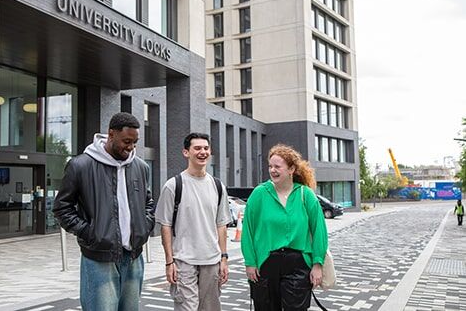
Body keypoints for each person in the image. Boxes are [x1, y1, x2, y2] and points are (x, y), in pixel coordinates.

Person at [53, 112, 155, 311]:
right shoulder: (80, 165)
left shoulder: (140, 167)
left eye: (135, 142)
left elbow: (148, 203)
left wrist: (144, 227)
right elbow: (62, 207)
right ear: (111, 134)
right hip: (99, 257)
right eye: (127, 141)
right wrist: (91, 234)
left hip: (134, 256)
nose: (131, 147)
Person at [241, 144, 328, 310]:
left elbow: (319, 231)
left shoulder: (306, 195)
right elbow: (248, 231)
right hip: (265, 264)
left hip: (298, 264)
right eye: (270, 166)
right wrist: (250, 262)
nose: (272, 170)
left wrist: (317, 264)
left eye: (277, 166)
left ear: (291, 169)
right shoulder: (259, 194)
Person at [155, 132, 232, 311]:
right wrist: (169, 262)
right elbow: (165, 225)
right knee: (187, 308)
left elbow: (221, 224)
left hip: (212, 260)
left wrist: (224, 258)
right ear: (186, 152)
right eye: (197, 148)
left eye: (206, 148)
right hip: (183, 260)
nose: (202, 152)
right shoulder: (173, 185)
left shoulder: (218, 186)